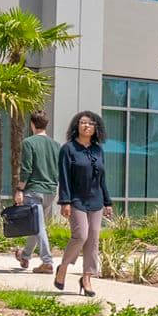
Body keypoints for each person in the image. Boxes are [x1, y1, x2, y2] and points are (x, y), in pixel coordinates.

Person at [55, 111, 109, 298]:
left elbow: (102, 179)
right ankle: (63, 267)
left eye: (91, 123)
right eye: (83, 123)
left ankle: (86, 278)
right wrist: (65, 201)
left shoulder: (98, 150)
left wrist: (107, 202)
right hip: (76, 199)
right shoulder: (68, 149)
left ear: (96, 128)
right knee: (81, 235)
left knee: (93, 239)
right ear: (77, 126)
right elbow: (64, 177)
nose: (86, 126)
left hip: (97, 200)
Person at [14, 112, 60, 274]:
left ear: (32, 124)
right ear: (46, 125)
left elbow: (26, 168)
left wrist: (19, 189)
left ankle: (47, 261)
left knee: (38, 226)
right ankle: (25, 256)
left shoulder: (29, 142)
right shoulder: (56, 145)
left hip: (34, 190)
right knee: (36, 225)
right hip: (50, 191)